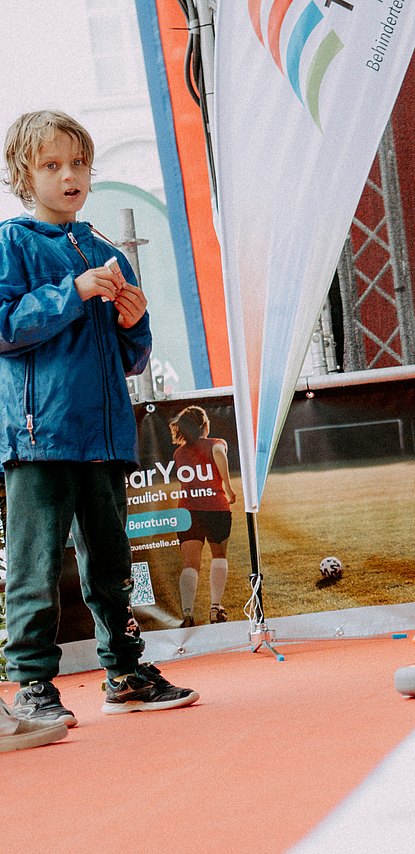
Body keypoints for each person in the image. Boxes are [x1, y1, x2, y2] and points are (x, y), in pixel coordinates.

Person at [0, 110, 198, 727]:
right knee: (35, 566)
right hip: (40, 437)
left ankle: (126, 670)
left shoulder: (109, 251)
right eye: (52, 165)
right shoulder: (12, 243)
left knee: (112, 562)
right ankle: (31, 685)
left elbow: (132, 359)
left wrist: (133, 322)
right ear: (23, 175)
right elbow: (5, 327)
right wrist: (74, 292)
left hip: (105, 437)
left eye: (78, 164)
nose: (69, 176)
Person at [169, 405, 237, 627]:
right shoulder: (217, 443)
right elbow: (218, 453)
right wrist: (227, 485)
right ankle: (215, 608)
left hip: (187, 510)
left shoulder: (178, 453)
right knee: (219, 555)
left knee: (190, 564)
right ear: (205, 425)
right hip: (215, 507)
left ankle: (187, 614)